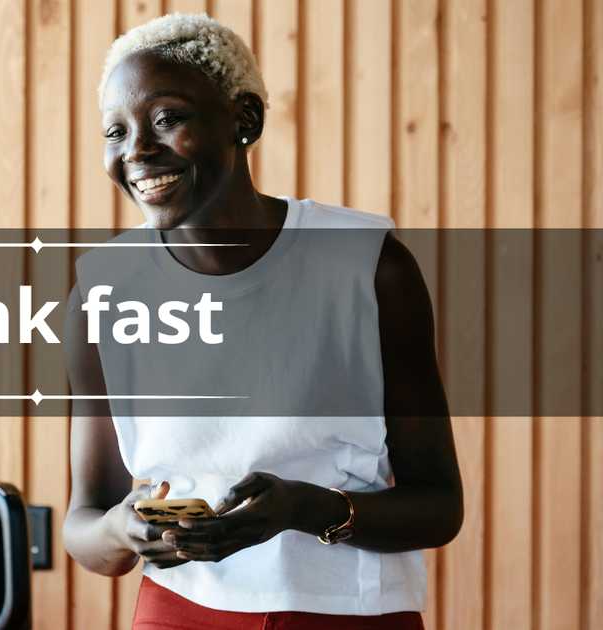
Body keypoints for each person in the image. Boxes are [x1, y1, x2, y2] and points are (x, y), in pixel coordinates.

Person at [62, 14, 463, 630]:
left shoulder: (369, 268)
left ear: (244, 120)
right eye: (116, 131)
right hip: (177, 612)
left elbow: (438, 507)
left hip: (348, 614)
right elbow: (85, 524)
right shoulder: (103, 291)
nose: (137, 150)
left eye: (167, 118)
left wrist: (302, 509)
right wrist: (122, 528)